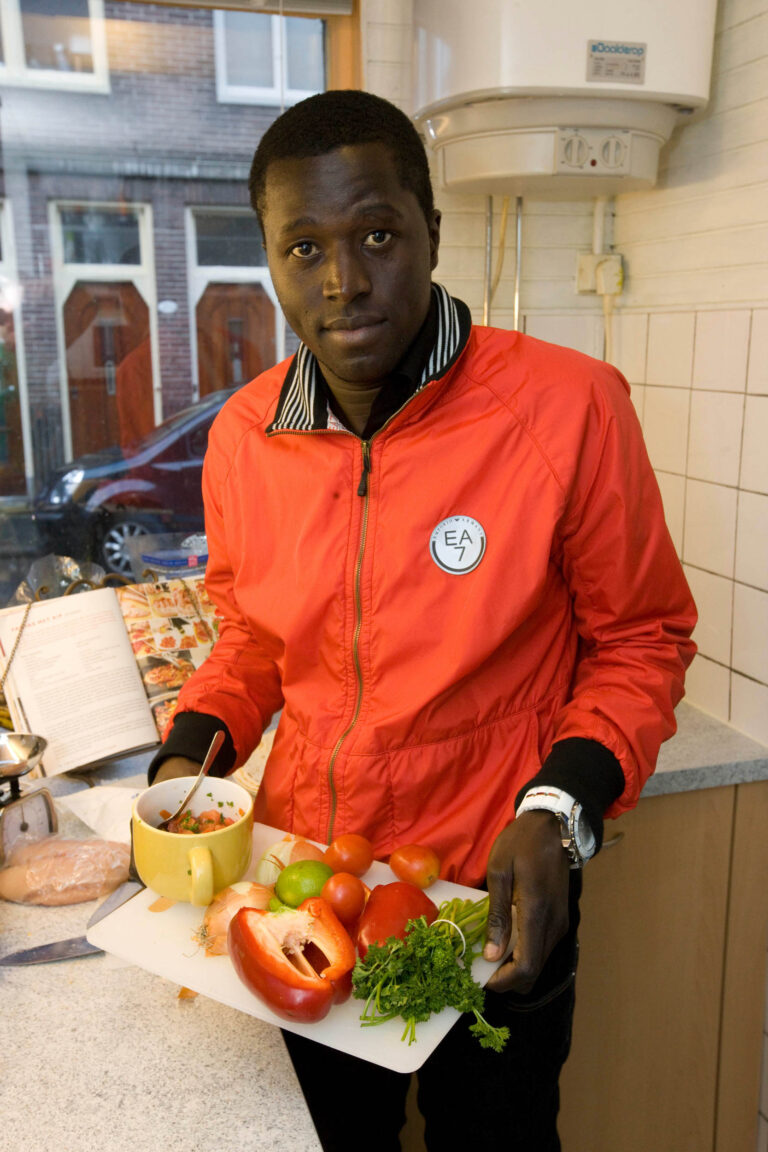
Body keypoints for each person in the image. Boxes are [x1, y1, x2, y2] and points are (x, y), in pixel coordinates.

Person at [149, 90, 696, 1149]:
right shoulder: (244, 436)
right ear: (267, 258)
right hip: (310, 885)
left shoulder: (568, 407)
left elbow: (642, 640)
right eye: (303, 247)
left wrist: (562, 809)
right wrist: (190, 762)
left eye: (378, 236)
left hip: (495, 883)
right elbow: (255, 638)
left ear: (432, 233)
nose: (344, 280)